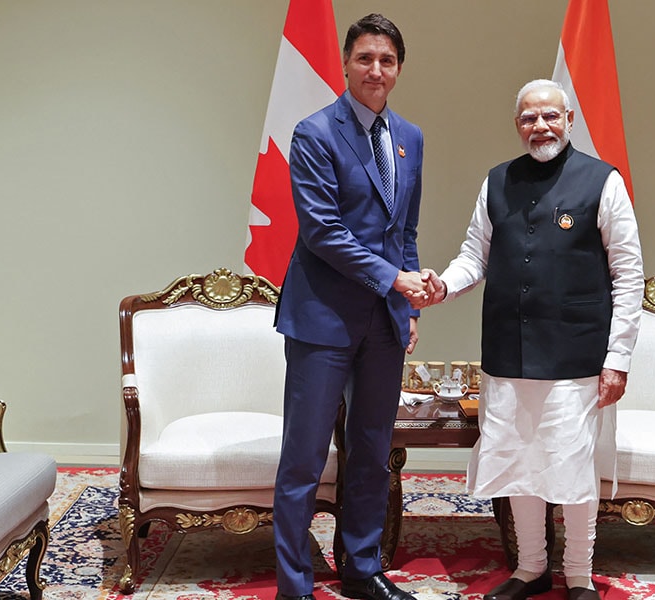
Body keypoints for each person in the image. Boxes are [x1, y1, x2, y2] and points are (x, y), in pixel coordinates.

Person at [421, 79, 644, 600]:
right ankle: (530, 568)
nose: (539, 126)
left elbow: (629, 274)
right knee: (520, 464)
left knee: (570, 469)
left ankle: (580, 575)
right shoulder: (497, 181)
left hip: (576, 356)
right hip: (507, 352)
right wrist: (441, 287)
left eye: (549, 116)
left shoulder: (602, 182)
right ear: (517, 124)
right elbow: (473, 256)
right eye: (528, 118)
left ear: (569, 119)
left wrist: (619, 357)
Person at [273, 13, 426, 600]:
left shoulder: (410, 137)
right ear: (345, 63)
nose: (376, 70)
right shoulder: (314, 133)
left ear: (399, 69)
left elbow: (405, 231)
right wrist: (397, 281)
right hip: (321, 319)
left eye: (387, 60)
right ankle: (295, 585)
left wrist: (406, 307)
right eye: (366, 58)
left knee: (370, 451)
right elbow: (323, 232)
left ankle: (361, 569)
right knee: (305, 459)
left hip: (385, 322)